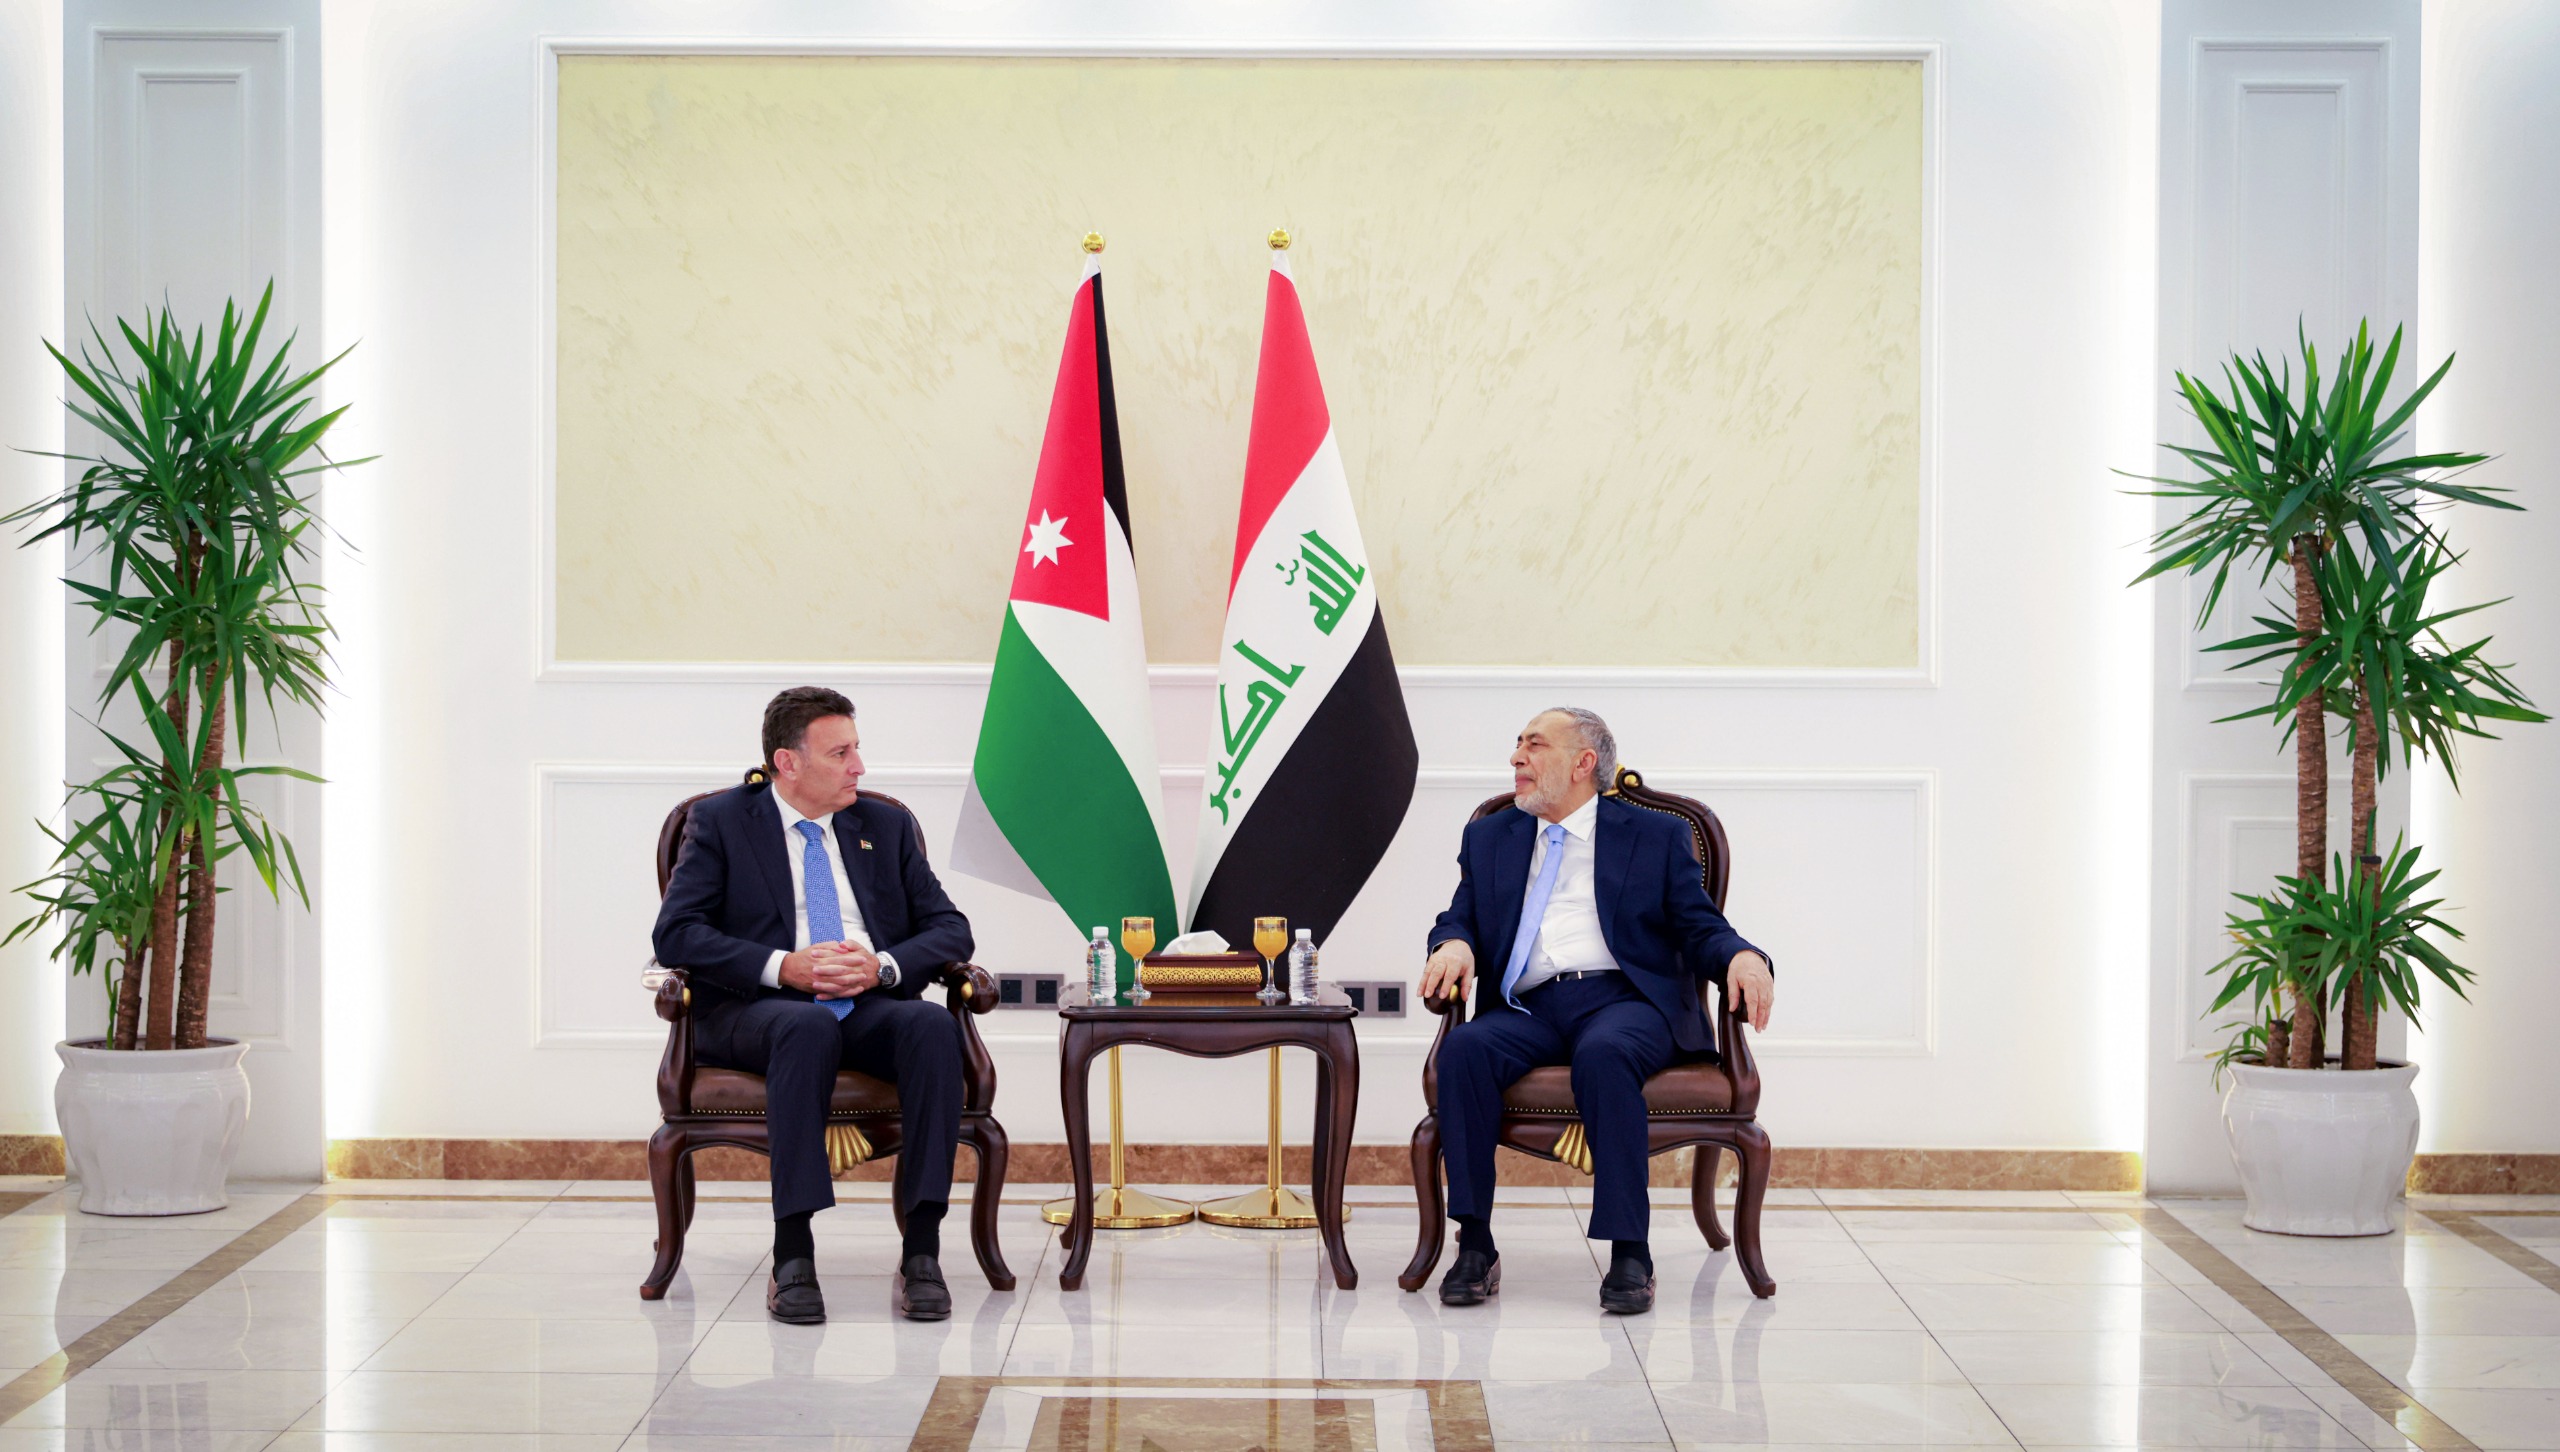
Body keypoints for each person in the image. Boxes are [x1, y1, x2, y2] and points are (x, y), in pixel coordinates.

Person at [1419, 707, 1776, 1314]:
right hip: (1528, 1005)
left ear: (1583, 763)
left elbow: (1698, 926)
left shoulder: (1654, 835)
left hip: (1624, 1001)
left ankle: (1630, 1252)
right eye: (1517, 744)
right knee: (1465, 1049)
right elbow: (1461, 916)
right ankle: (1474, 1245)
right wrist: (1452, 943)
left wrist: (1743, 956)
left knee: (1605, 1054)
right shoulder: (1490, 836)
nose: (1516, 757)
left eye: (1535, 745)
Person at [651, 687, 974, 1324]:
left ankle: (922, 1250)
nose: (859, 767)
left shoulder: (882, 826)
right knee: (804, 1027)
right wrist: (784, 966)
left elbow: (950, 928)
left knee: (931, 1025)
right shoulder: (721, 822)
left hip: (866, 1002)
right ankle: (793, 1254)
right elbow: (677, 933)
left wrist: (880, 966)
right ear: (788, 762)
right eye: (840, 753)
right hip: (755, 1009)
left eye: (857, 749)